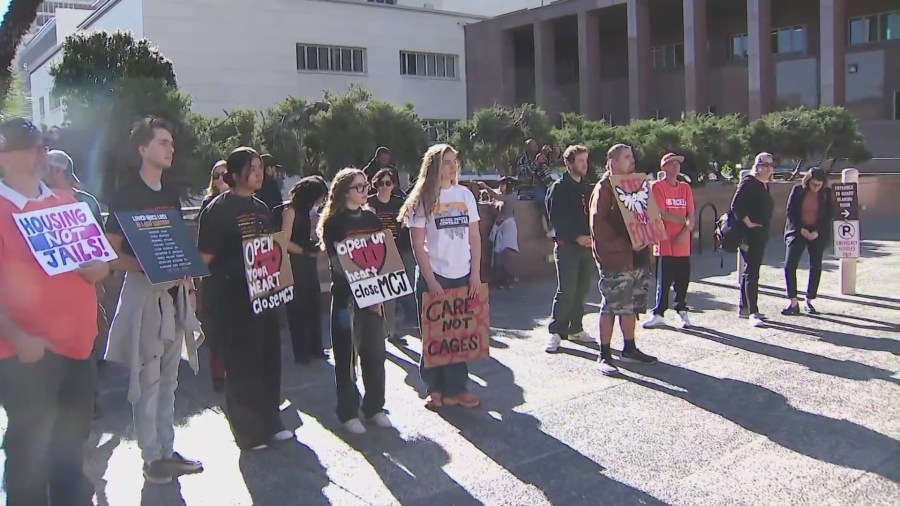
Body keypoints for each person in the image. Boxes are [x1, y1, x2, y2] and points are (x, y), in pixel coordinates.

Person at [0, 117, 109, 506]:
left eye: (44, 146)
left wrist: (97, 268)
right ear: (6, 155)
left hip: (78, 351)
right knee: (29, 456)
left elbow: (100, 265)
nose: (43, 154)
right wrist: (16, 336)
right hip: (26, 355)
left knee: (70, 451)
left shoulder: (66, 203)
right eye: (33, 147)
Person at [104, 117, 204, 484]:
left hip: (174, 295)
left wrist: (188, 286)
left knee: (169, 379)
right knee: (147, 379)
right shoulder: (125, 194)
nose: (170, 148)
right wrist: (146, 267)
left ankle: (166, 448)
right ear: (143, 149)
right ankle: (151, 456)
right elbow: (109, 254)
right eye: (163, 142)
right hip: (144, 294)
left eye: (171, 143)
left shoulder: (169, 194)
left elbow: (177, 246)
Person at [198, 147, 293, 450]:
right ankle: (249, 433)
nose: (259, 173)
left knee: (268, 359)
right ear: (236, 173)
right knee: (241, 365)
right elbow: (205, 257)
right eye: (252, 168)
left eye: (261, 167)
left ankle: (271, 420)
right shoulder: (217, 208)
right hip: (232, 299)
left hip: (263, 295)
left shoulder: (263, 208)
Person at [399, 143, 482, 410]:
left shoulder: (465, 195)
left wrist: (475, 275)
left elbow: (475, 237)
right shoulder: (422, 199)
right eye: (447, 161)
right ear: (434, 165)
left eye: (454, 160)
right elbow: (417, 244)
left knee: (458, 335)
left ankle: (457, 389)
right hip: (433, 274)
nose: (452, 166)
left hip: (462, 273)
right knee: (434, 335)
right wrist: (431, 280)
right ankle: (434, 389)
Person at [318, 168, 392, 434]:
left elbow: (382, 256)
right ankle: (348, 411)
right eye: (359, 187)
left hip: (373, 298)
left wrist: (379, 294)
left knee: (375, 352)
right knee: (346, 355)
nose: (365, 191)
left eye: (365, 186)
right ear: (344, 191)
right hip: (345, 298)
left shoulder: (372, 218)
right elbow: (338, 262)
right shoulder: (334, 222)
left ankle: (375, 406)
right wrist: (363, 288)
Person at [43, 149, 108, 419]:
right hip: (51, 296)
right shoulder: (38, 203)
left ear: (58, 171)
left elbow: (101, 248)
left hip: (84, 289)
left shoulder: (86, 203)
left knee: (86, 346)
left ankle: (88, 400)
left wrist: (100, 280)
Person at [589, 144, 658, 375]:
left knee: (630, 305)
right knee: (611, 305)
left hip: (637, 257)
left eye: (632, 156)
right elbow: (600, 227)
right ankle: (604, 354)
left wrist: (649, 236)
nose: (632, 161)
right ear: (612, 162)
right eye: (627, 157)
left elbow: (645, 214)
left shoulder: (636, 185)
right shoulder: (604, 189)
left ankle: (630, 348)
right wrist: (628, 244)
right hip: (616, 258)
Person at [543, 145, 596, 352]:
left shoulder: (587, 188)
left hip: (587, 247)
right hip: (568, 248)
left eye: (586, 160)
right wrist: (576, 236)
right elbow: (557, 219)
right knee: (566, 290)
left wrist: (592, 237)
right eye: (580, 161)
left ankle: (576, 328)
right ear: (569, 163)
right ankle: (556, 332)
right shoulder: (559, 188)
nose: (585, 165)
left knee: (582, 289)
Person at [644, 153, 696, 329]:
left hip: (683, 244)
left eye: (678, 164)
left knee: (682, 282)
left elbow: (691, 215)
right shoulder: (657, 187)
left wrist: (685, 230)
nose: (675, 167)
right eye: (671, 164)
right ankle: (658, 313)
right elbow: (662, 213)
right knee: (663, 282)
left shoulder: (685, 188)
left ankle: (682, 312)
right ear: (664, 167)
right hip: (665, 243)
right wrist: (685, 223)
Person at [282, 175, 329, 363]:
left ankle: (316, 348)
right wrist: (304, 251)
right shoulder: (290, 210)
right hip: (294, 262)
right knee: (297, 308)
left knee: (313, 304)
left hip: (307, 262)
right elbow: (283, 241)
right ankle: (301, 352)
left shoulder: (307, 210)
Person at [731, 152, 776, 327]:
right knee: (752, 271)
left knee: (751, 270)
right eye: (766, 165)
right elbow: (736, 205)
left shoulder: (763, 185)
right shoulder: (749, 182)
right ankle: (753, 311)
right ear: (758, 166)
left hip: (759, 234)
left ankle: (745, 307)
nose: (770, 168)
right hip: (749, 236)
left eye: (771, 165)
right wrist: (748, 223)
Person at [368, 168, 411, 345]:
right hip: (374, 252)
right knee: (374, 295)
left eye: (388, 183)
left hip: (395, 251)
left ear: (393, 185)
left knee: (391, 295)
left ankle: (391, 332)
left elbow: (406, 226)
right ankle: (375, 332)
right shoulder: (369, 203)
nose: (384, 187)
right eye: (380, 183)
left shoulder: (399, 203)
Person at [782, 167, 832, 315]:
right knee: (789, 265)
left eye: (819, 185)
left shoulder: (826, 193)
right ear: (807, 181)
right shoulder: (798, 190)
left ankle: (809, 301)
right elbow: (791, 212)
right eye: (814, 184)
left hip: (817, 232)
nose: (816, 188)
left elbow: (828, 214)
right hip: (798, 230)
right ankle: (793, 301)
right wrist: (801, 229)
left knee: (815, 266)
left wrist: (817, 231)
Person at [198, 160, 229, 392]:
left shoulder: (248, 203)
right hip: (215, 274)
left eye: (225, 175)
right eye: (216, 176)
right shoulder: (209, 205)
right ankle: (219, 376)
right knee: (216, 329)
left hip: (241, 274)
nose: (220, 180)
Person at [480, 177, 519, 289]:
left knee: (503, 255)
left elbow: (497, 196)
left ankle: (507, 279)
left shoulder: (512, 196)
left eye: (502, 185)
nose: (500, 187)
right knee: (497, 256)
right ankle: (504, 279)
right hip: (500, 228)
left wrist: (485, 187)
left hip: (508, 228)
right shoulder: (503, 199)